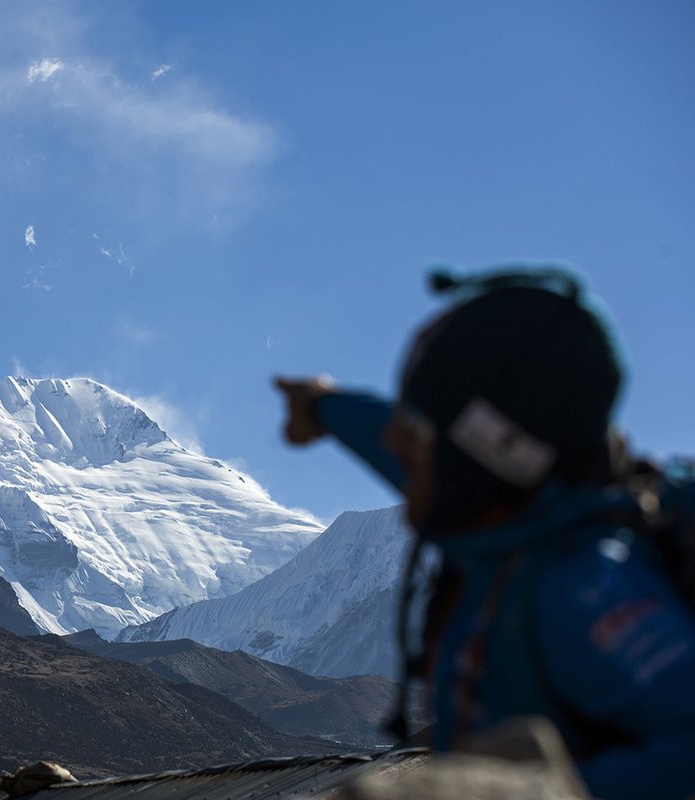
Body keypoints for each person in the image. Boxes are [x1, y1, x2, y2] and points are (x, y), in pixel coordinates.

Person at [276, 267, 695, 800]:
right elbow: (397, 440)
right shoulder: (496, 507)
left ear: (483, 457)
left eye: (413, 430)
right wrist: (321, 406)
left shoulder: (581, 586)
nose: (393, 442)